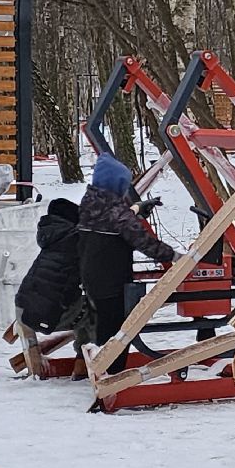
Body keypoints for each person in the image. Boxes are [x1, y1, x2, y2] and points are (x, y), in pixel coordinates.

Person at [79, 153, 179, 374]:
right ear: (116, 185)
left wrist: (136, 210)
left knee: (101, 321)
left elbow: (115, 218)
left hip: (91, 276)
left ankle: (97, 364)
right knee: (118, 329)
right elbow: (142, 241)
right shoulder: (118, 214)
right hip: (112, 279)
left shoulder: (89, 203)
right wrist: (174, 256)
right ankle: (112, 372)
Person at [14, 198, 84, 337]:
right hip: (44, 314)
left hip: (23, 306)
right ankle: (89, 349)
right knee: (103, 309)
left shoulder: (53, 237)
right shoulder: (74, 240)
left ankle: (84, 349)